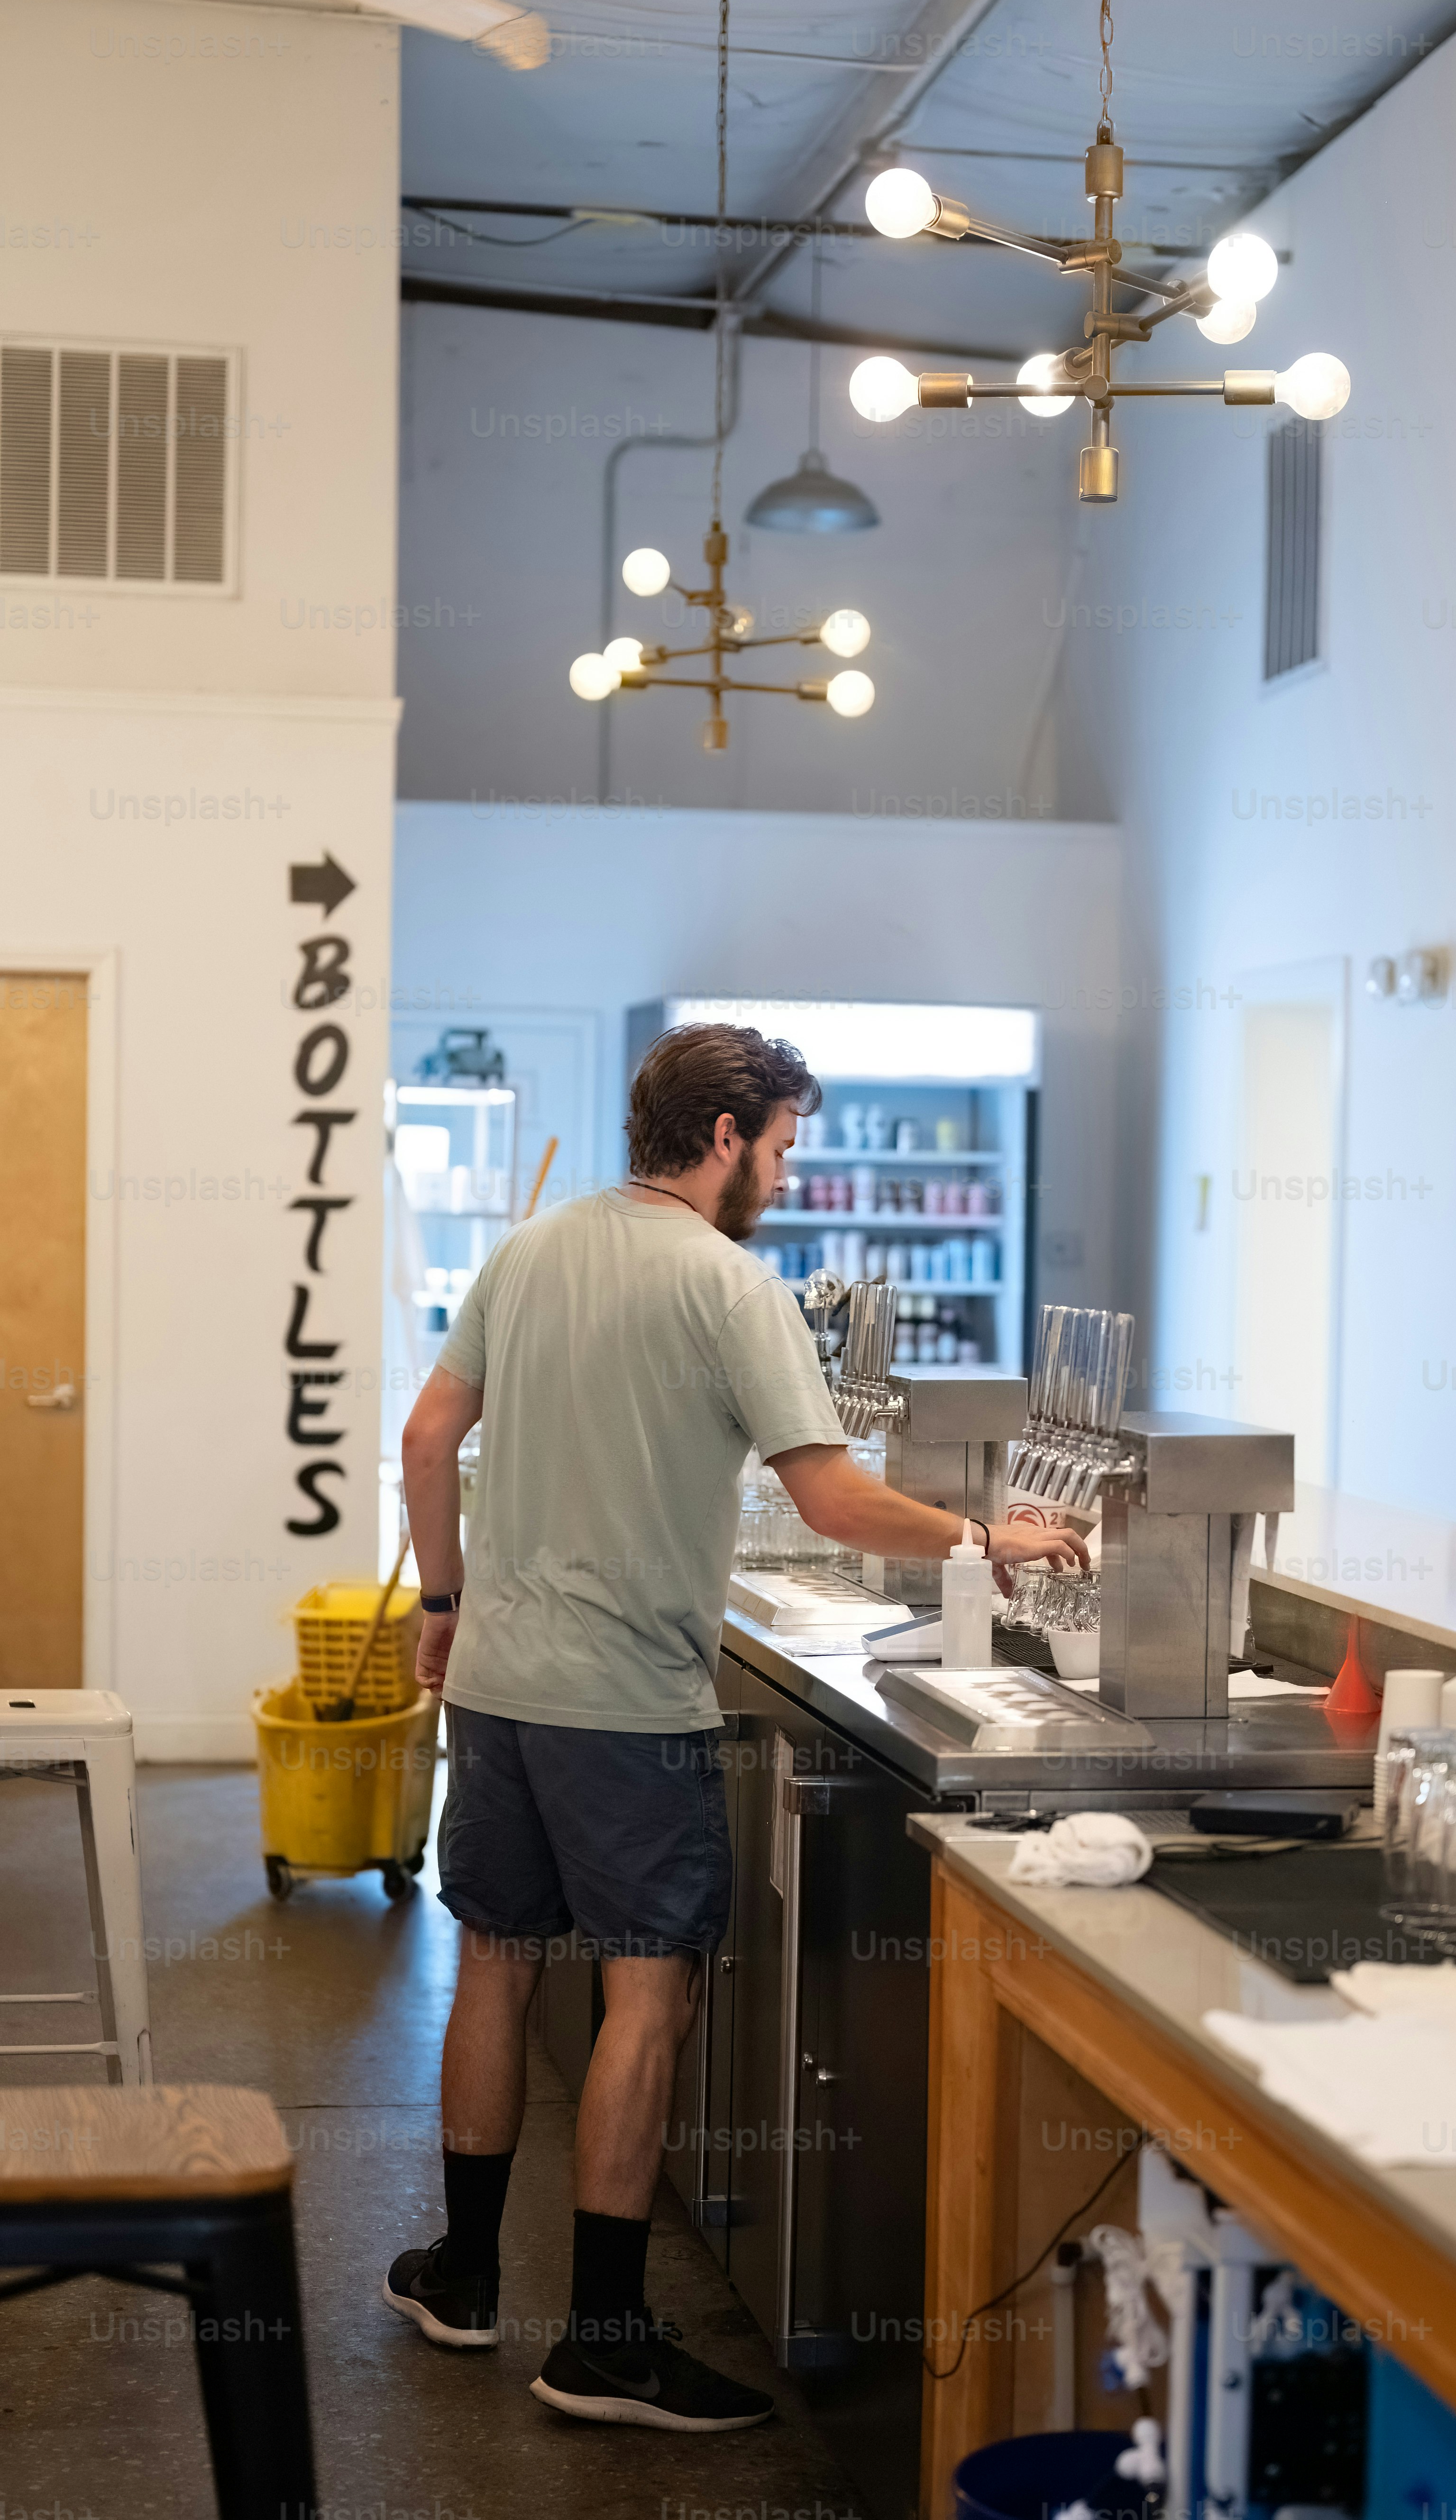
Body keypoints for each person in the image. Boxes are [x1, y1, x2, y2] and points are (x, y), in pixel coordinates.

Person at [385, 1021, 1087, 2434]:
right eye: (777, 1144)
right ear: (722, 1137)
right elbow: (830, 1500)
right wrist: (986, 1536)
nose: (781, 1170)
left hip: (502, 1688)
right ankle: (602, 2340)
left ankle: (461, 2277)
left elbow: (424, 1436)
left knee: (497, 1962)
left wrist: (448, 1602)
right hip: (626, 1703)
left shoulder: (530, 1251)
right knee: (647, 1994)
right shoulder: (731, 1284)